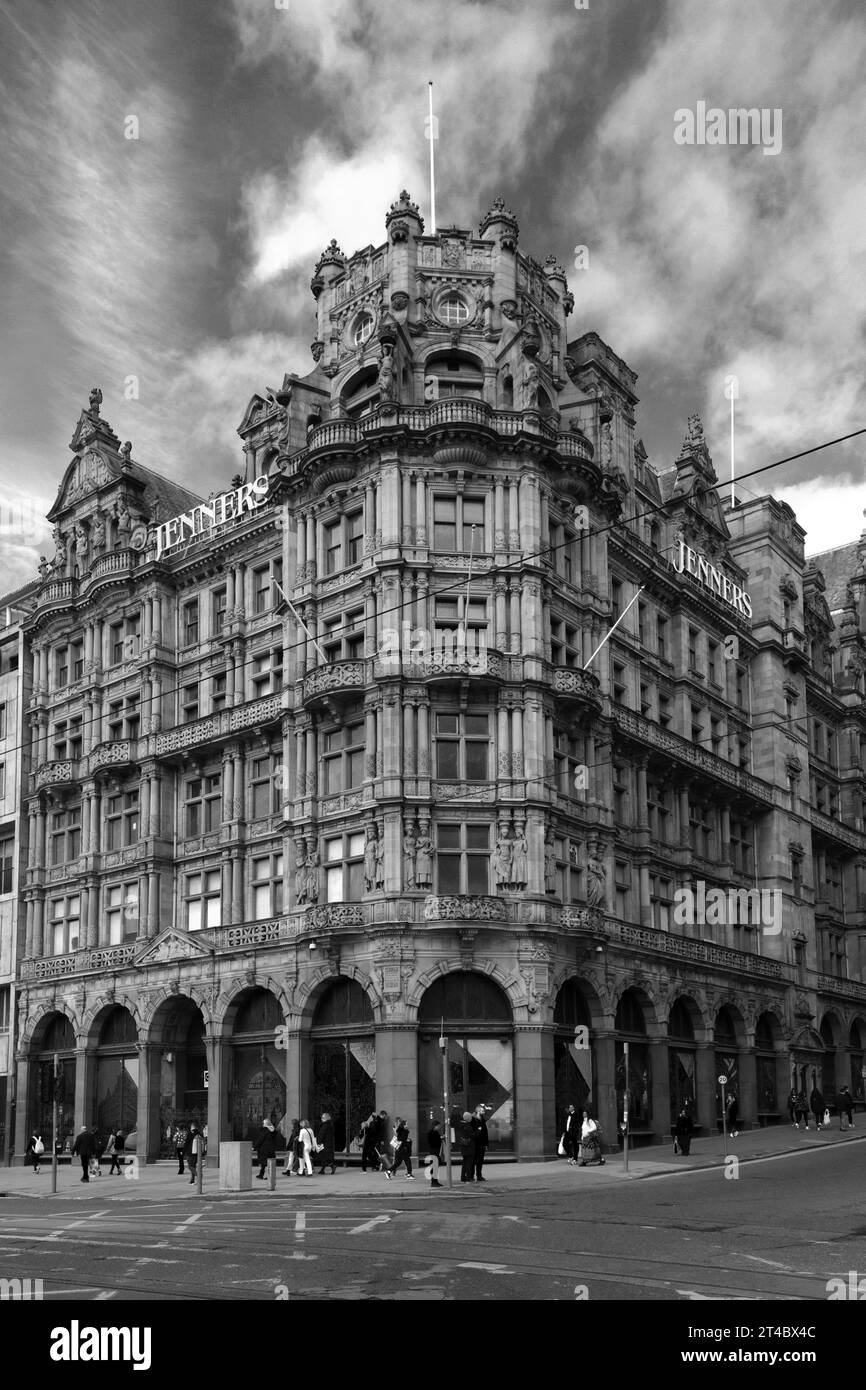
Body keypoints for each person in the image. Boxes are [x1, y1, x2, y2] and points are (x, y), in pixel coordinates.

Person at [471, 1106, 489, 1182]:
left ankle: (479, 1176)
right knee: (474, 1160)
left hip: (482, 1143)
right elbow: (473, 1133)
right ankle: (471, 1176)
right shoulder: (473, 1120)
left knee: (480, 1161)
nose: (484, 1112)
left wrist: (486, 1144)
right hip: (475, 1143)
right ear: (478, 1111)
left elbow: (485, 1133)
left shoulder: (483, 1119)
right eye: (482, 1111)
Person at [459, 1111, 476, 1183]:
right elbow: (473, 1135)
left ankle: (463, 1178)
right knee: (469, 1163)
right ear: (468, 1118)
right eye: (470, 1117)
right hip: (469, 1147)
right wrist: (478, 1130)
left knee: (464, 1163)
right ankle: (468, 1178)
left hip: (463, 1147)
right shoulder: (468, 1126)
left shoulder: (461, 1125)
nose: (471, 1118)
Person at [374, 1109, 392, 1174]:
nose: (386, 1117)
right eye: (385, 1116)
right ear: (383, 1115)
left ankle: (377, 1165)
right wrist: (381, 1140)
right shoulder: (380, 1121)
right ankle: (378, 1164)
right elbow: (380, 1132)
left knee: (378, 1152)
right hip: (378, 1140)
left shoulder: (377, 1120)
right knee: (379, 1152)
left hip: (376, 1140)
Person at [426, 1120, 443, 1186]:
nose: (439, 1127)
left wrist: (440, 1138)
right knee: (435, 1166)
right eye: (438, 1126)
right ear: (435, 1126)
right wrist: (440, 1139)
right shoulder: (431, 1133)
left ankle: (435, 1181)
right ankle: (433, 1182)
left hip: (435, 1151)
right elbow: (433, 1142)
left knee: (436, 1166)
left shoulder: (435, 1132)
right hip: (434, 1151)